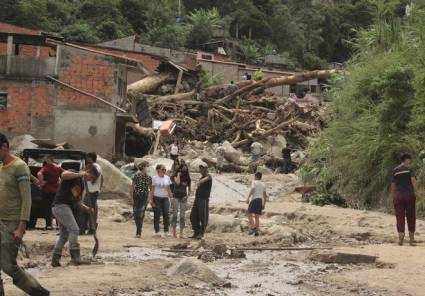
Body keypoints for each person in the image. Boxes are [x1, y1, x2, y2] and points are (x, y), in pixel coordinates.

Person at [0, 133, 50, 295]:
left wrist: (21, 227)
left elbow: (26, 199)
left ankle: (39, 293)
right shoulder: (2, 167)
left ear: (4, 147)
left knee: (8, 266)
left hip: (12, 222)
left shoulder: (19, 166)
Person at [51, 165, 98, 267]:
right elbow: (63, 175)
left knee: (64, 235)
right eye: (91, 177)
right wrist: (80, 174)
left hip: (64, 207)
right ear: (87, 171)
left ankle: (55, 260)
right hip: (60, 206)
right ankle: (75, 258)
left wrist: (88, 209)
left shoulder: (81, 184)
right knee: (74, 229)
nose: (90, 180)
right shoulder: (73, 172)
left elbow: (77, 201)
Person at [391, 153, 421, 246]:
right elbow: (413, 180)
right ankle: (411, 240)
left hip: (398, 195)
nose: (410, 162)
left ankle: (400, 239)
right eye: (410, 160)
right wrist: (417, 192)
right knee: (411, 215)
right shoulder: (409, 168)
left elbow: (393, 184)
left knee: (399, 216)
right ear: (406, 160)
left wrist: (393, 196)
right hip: (409, 195)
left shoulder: (395, 170)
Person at [37, 156, 63, 229]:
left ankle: (49, 225)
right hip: (56, 190)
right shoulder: (58, 168)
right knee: (57, 208)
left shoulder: (45, 168)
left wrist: (41, 183)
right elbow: (64, 173)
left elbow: (39, 174)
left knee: (48, 208)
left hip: (47, 191)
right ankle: (59, 225)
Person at [79, 152, 103, 235]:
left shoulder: (96, 166)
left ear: (91, 158)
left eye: (87, 157)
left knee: (89, 210)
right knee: (87, 210)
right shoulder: (89, 166)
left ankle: (91, 228)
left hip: (93, 191)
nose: (86, 159)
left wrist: (92, 179)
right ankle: (86, 228)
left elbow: (98, 173)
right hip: (89, 191)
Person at [190, 164, 212, 239]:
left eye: (202, 169)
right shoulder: (201, 177)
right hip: (197, 199)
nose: (201, 170)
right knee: (193, 216)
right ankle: (196, 232)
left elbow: (204, 180)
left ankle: (201, 233)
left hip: (203, 199)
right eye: (200, 169)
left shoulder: (209, 176)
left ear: (206, 169)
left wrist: (200, 181)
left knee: (203, 216)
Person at [130, 161, 152, 238]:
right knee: (135, 214)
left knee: (141, 214)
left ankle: (138, 232)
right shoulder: (136, 176)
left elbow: (150, 189)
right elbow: (132, 187)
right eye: (146, 166)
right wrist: (131, 198)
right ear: (142, 167)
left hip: (144, 197)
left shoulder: (149, 178)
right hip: (136, 196)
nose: (148, 168)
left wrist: (149, 198)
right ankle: (138, 228)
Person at [150, 164, 173, 237]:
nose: (164, 171)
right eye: (163, 169)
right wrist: (151, 200)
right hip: (156, 198)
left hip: (165, 198)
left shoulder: (167, 178)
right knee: (157, 215)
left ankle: (166, 231)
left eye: (165, 170)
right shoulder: (154, 178)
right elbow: (152, 190)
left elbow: (169, 189)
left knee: (166, 214)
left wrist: (171, 198)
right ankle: (157, 231)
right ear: (158, 170)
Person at [171, 163, 191, 238]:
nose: (184, 170)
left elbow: (189, 189)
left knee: (182, 216)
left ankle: (181, 233)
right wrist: (179, 174)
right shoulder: (175, 176)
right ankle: (174, 232)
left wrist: (187, 196)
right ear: (180, 169)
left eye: (186, 169)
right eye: (183, 168)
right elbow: (178, 182)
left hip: (183, 197)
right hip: (176, 196)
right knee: (175, 214)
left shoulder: (188, 178)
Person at [246, 172, 267, 236]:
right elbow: (265, 195)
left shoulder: (254, 182)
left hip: (254, 199)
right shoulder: (263, 184)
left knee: (249, 214)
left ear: (256, 176)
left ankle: (253, 227)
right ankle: (256, 231)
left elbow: (252, 189)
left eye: (254, 176)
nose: (254, 177)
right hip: (260, 201)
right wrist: (264, 204)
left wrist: (248, 198)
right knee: (257, 217)